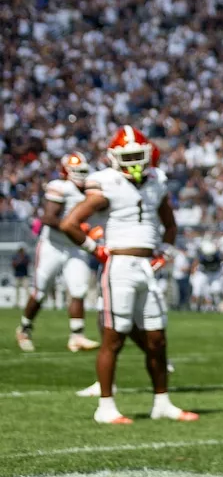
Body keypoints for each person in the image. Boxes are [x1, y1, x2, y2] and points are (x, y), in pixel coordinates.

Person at [58, 126, 197, 424]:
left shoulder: (156, 182)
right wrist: (96, 249)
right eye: (128, 156)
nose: (134, 163)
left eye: (138, 156)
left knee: (158, 338)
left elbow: (169, 224)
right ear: (114, 158)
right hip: (118, 265)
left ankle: (162, 402)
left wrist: (167, 252)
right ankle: (105, 407)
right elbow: (69, 223)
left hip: (147, 267)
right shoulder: (106, 183)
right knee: (114, 337)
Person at [16, 152, 100, 353]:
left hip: (74, 247)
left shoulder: (91, 189)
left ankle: (77, 336)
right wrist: (77, 229)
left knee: (78, 290)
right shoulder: (60, 187)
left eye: (83, 172)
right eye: (76, 172)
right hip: (52, 246)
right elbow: (48, 218)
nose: (80, 176)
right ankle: (25, 329)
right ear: (65, 172)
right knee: (40, 291)